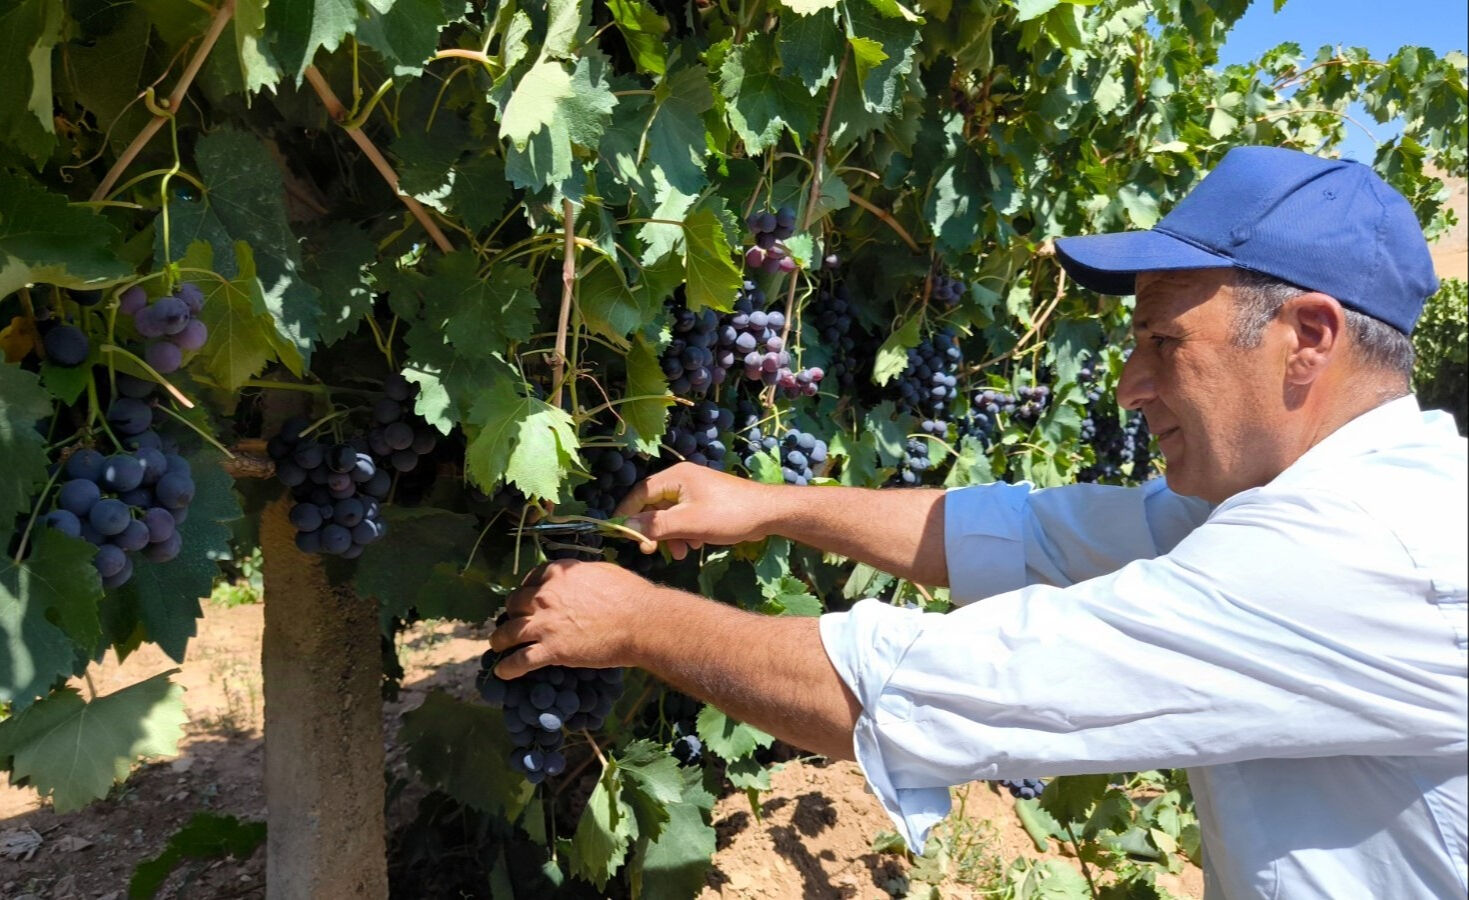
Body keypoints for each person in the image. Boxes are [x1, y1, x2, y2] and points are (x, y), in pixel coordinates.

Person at [489, 146, 1467, 898]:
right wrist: (771, 505)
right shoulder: (1292, 505)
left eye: (1162, 343)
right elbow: (1026, 534)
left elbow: (959, 690)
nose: (1128, 388)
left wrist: (639, 622)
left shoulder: (1362, 552)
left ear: (1306, 339)